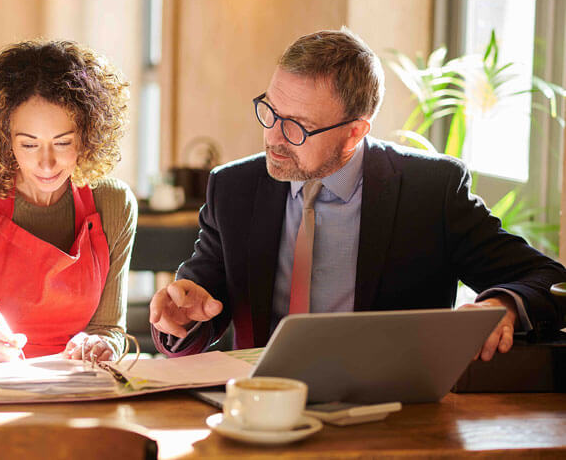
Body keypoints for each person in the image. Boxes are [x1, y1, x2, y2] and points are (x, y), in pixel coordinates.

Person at [149, 28, 566, 360]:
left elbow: (549, 280)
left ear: (355, 132)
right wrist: (180, 316)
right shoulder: (234, 188)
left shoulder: (429, 192)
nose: (273, 137)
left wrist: (503, 307)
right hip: (262, 412)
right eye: (270, 111)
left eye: (296, 126)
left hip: (393, 414)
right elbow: (199, 301)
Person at [0, 40, 136, 367]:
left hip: (77, 393)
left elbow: (110, 328)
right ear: (4, 138)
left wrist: (102, 344)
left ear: (88, 136)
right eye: (29, 144)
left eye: (62, 143)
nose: (47, 164)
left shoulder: (113, 203)